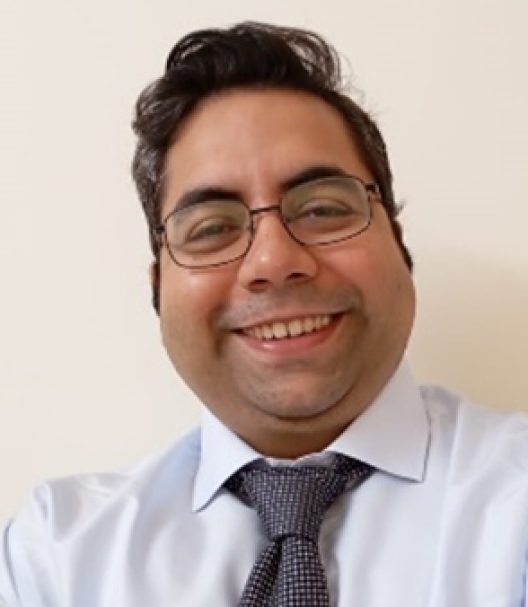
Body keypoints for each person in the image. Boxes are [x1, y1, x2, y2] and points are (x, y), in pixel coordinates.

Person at [1, 21, 527, 607]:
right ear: (158, 288)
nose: (274, 261)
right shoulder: (55, 558)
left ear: (399, 244)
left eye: (322, 209)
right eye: (212, 228)